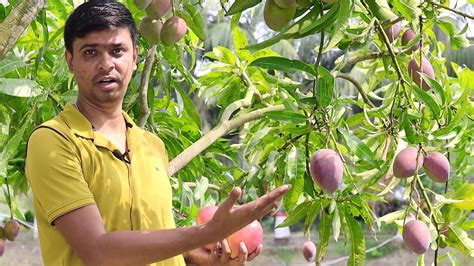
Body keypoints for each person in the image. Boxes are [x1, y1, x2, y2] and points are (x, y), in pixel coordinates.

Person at [24, 1, 290, 265]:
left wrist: (198, 258)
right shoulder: (53, 141)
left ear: (135, 57)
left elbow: (152, 238)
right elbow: (98, 250)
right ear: (70, 61)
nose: (106, 64)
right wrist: (209, 232)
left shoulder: (152, 146)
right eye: (91, 52)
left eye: (117, 51)